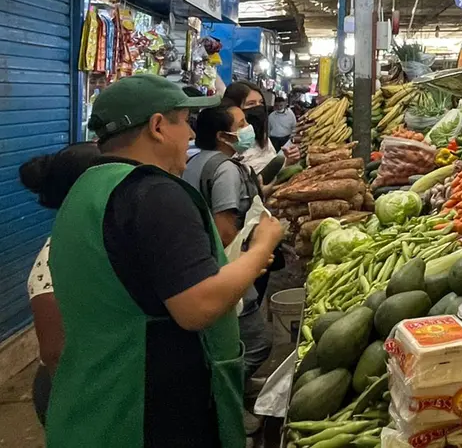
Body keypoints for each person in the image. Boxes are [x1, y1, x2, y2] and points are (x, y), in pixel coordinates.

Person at [44, 74, 283, 448]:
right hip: (149, 412)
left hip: (90, 404)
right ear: (157, 126)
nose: (190, 136)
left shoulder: (85, 190)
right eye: (184, 122)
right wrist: (259, 249)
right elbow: (197, 306)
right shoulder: (156, 195)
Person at [184, 103, 273, 381]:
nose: (248, 128)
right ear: (223, 136)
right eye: (242, 123)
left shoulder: (194, 162)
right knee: (257, 343)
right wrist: (256, 253)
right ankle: (228, 397)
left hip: (200, 265)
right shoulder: (225, 170)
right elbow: (225, 232)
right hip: (225, 267)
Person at [20, 142, 102, 425]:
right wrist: (85, 410)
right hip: (72, 391)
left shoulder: (100, 239)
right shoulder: (56, 254)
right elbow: (55, 352)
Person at [223, 81, 300, 177]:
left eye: (261, 103)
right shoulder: (230, 146)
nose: (258, 107)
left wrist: (288, 162)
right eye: (251, 103)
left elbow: (273, 172)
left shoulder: (263, 139)